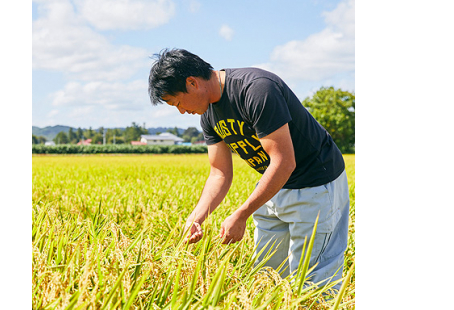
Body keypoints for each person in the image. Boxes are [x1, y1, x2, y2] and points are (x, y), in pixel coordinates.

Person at [148, 48, 350, 290]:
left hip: (315, 185)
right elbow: (219, 173)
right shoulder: (208, 114)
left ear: (192, 83)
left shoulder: (256, 90)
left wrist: (241, 214)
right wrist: (196, 218)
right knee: (267, 278)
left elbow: (284, 161)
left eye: (177, 102)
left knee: (314, 284)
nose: (182, 111)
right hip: (273, 186)